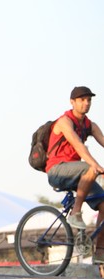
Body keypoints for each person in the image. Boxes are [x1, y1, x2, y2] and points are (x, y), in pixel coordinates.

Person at [45, 86, 104, 263]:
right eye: (82, 100)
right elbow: (78, 145)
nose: (86, 103)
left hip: (78, 174)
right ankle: (75, 212)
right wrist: (95, 165)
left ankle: (100, 252)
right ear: (72, 102)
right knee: (89, 168)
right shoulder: (64, 122)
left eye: (89, 100)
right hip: (57, 170)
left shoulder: (89, 125)